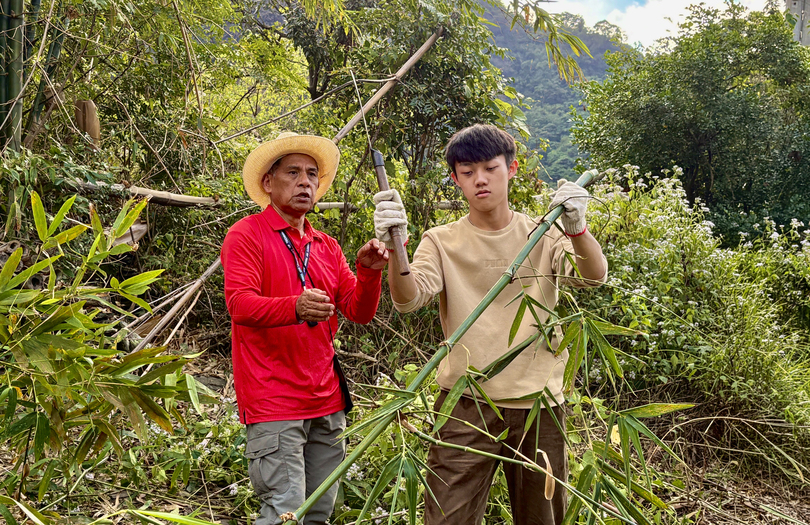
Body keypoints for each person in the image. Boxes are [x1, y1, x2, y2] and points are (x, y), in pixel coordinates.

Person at [373, 124, 607, 525]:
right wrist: (397, 247)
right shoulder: (440, 240)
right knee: (447, 518)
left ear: (511, 169)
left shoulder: (541, 233)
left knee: (542, 518)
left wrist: (577, 228)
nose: (479, 179)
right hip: (466, 403)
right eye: (467, 172)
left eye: (489, 168)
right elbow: (408, 299)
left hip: (539, 403)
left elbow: (592, 276)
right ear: (455, 179)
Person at [222, 131, 390, 525]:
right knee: (285, 511)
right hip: (273, 400)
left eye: (312, 174)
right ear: (268, 182)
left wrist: (368, 271)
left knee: (318, 513)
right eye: (293, 172)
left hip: (327, 400)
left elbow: (357, 311)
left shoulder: (326, 245)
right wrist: (294, 307)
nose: (305, 182)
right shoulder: (247, 235)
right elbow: (239, 304)